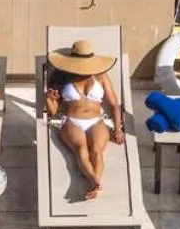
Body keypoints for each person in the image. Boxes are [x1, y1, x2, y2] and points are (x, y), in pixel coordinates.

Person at [43, 38, 125, 202]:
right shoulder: (61, 77)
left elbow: (114, 104)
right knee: (81, 150)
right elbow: (53, 112)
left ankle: (95, 185)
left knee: (96, 151)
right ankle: (95, 183)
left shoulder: (101, 76)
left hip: (97, 121)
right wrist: (48, 99)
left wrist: (117, 128)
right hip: (71, 121)